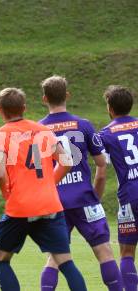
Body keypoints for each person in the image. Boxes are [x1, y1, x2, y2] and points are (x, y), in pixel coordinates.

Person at [0, 87, 87, 291]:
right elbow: (67, 161)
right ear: (24, 108)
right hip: (49, 204)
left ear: (0, 110)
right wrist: (49, 183)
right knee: (65, 262)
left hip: (20, 206)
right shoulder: (42, 130)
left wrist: (7, 192)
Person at [38, 76, 122, 290]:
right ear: (67, 95)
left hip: (55, 202)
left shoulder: (38, 130)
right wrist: (94, 195)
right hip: (84, 198)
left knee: (55, 258)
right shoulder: (83, 125)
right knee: (104, 250)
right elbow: (102, 166)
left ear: (44, 99)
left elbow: (37, 171)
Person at [99, 85, 138, 291]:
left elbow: (101, 166)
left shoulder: (105, 134)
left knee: (127, 253)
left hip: (129, 197)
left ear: (110, 108)